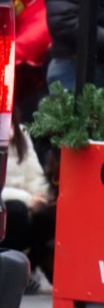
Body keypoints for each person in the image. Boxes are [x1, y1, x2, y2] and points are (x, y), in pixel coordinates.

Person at [2, 123, 54, 294]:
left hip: (25, 201)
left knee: (49, 215)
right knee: (17, 211)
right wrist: (27, 198)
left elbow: (34, 175)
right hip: (10, 202)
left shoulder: (20, 131)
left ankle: (28, 270)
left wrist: (43, 195)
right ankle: (8, 272)